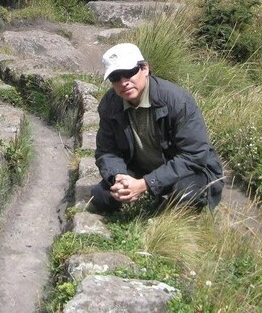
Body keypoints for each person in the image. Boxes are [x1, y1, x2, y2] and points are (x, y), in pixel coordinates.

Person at [90, 42, 224, 212]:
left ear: (145, 69)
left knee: (185, 195)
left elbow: (195, 156)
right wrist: (119, 177)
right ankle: (151, 196)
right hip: (142, 169)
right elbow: (106, 151)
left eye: (129, 72)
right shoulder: (110, 104)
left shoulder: (177, 101)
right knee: (101, 197)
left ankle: (164, 202)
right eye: (115, 77)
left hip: (187, 172)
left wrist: (145, 184)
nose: (124, 82)